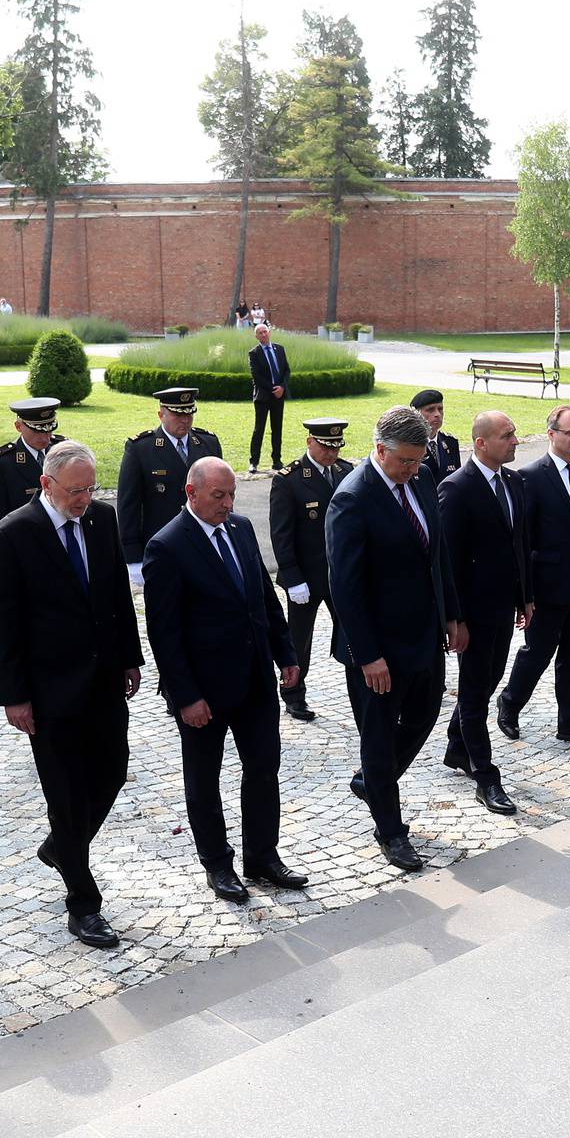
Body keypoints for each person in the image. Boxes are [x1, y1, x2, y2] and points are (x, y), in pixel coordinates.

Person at [0, 440, 146, 949]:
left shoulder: (100, 520)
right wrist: (14, 696)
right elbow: (3, 626)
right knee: (65, 795)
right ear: (47, 485)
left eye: (90, 488)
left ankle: (61, 848)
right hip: (49, 692)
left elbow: (117, 594)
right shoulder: (12, 535)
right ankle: (83, 903)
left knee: (113, 771)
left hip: (102, 683)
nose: (84, 499)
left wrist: (129, 658)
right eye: (75, 490)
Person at [144, 458, 306, 902]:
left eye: (231, 494)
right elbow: (165, 633)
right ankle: (218, 864)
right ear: (191, 492)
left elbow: (262, 598)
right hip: (204, 691)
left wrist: (286, 653)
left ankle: (262, 856)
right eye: (219, 495)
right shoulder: (167, 546)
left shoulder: (240, 529)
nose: (228, 503)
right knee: (204, 779)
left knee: (263, 768)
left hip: (254, 680)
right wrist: (186, 696)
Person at [325, 406, 466, 871]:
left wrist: (452, 616)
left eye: (417, 460)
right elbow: (344, 585)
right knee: (380, 736)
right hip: (378, 647)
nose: (411, 469)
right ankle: (390, 829)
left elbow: (437, 552)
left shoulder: (421, 478)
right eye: (403, 461)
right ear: (380, 449)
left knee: (425, 714)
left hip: (424, 632)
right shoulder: (352, 498)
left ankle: (372, 780)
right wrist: (368, 655)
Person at [496, 405, 570, 747]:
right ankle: (510, 702)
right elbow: (523, 539)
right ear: (551, 434)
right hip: (547, 586)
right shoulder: (530, 477)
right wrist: (525, 592)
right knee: (538, 652)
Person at [437, 410, 532, 815]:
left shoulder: (513, 481)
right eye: (507, 435)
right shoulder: (456, 488)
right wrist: (453, 618)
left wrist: (525, 596)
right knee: (475, 692)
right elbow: (448, 561)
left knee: (490, 680)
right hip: (472, 613)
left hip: (503, 607)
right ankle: (486, 776)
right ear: (481, 443)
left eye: (513, 434)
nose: (514, 441)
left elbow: (519, 545)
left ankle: (457, 746)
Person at [269, 417, 352, 722]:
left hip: (340, 574)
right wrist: (291, 577)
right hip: (305, 577)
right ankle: (293, 694)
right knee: (297, 640)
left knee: (352, 631)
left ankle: (362, 684)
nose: (332, 454)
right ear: (310, 443)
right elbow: (281, 533)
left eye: (336, 447)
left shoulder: (346, 472)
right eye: (325, 447)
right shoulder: (288, 479)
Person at [118, 387, 224, 582]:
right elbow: (128, 505)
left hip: (204, 540)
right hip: (161, 544)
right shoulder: (141, 448)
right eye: (177, 415)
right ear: (161, 414)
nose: (185, 420)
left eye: (189, 414)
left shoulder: (208, 443)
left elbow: (223, 495)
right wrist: (132, 556)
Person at [0, 398, 64, 537]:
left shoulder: (63, 451)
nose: (45, 437)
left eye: (49, 430)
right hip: (24, 541)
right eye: (37, 431)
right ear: (18, 426)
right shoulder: (2, 464)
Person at [248, 324, 290, 473]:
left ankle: (277, 461)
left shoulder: (280, 349)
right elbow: (256, 376)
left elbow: (286, 370)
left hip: (279, 396)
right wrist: (273, 389)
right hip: (263, 396)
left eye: (265, 331)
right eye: (260, 333)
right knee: (259, 429)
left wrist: (282, 387)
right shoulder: (254, 353)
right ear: (256, 336)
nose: (263, 334)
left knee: (277, 428)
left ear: (269, 332)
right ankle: (254, 462)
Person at [411, 389, 460, 481]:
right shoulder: (410, 445)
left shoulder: (450, 442)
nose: (437, 414)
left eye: (440, 409)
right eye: (430, 410)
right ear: (416, 414)